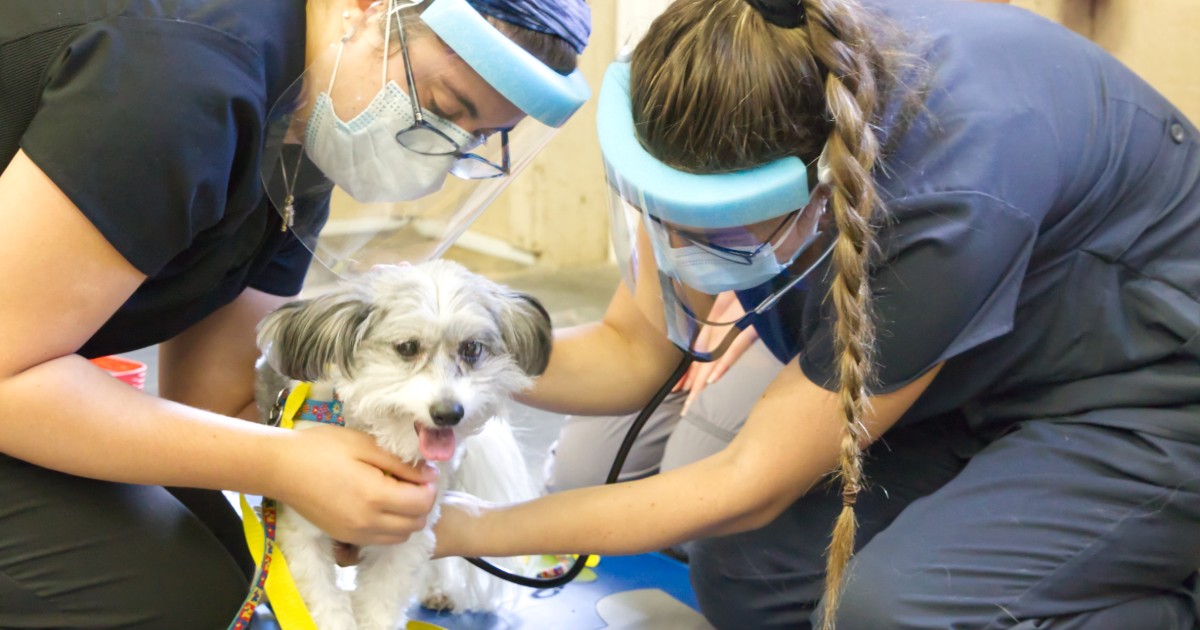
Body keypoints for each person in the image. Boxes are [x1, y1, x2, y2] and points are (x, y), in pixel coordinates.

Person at [433, 1, 1200, 629]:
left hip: (1144, 399)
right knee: (747, 576)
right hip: (988, 372)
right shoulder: (700, 106)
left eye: (713, 232)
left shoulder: (943, 197)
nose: (672, 249)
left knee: (895, 611)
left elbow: (748, 482)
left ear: (821, 188)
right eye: (657, 213)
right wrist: (443, 355)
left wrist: (464, 527)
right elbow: (631, 351)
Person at [0, 0, 589, 626]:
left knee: (236, 561)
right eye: (444, 109)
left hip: (27, 373)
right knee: (179, 601)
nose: (440, 153)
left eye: (473, 140)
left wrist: (346, 480)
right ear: (368, 9)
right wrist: (287, 463)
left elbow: (214, 399)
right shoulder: (175, 85)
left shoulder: (304, 134)